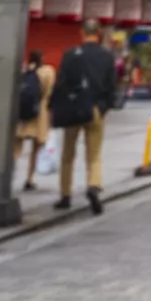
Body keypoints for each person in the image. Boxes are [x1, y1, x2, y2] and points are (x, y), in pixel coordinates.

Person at [50, 20, 118, 215]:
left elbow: (61, 83)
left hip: (73, 108)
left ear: (82, 33)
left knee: (68, 154)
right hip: (95, 109)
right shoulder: (106, 56)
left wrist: (56, 108)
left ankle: (65, 195)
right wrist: (105, 107)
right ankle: (93, 186)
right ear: (98, 33)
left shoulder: (71, 55)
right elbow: (112, 86)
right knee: (94, 154)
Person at [15, 48, 54, 192]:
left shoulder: (23, 71)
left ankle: (9, 173)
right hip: (39, 114)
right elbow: (49, 92)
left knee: (16, 147)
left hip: (21, 114)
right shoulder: (47, 72)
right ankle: (29, 179)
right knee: (35, 150)